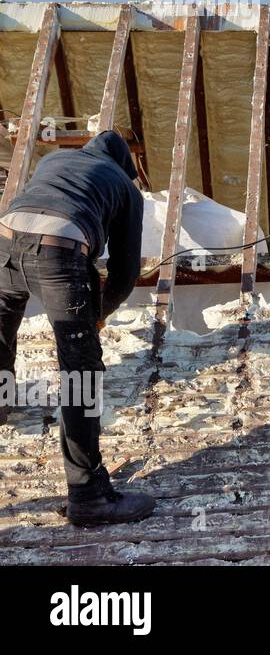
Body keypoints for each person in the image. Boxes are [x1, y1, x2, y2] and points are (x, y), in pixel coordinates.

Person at [0, 131, 153, 525]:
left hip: (3, 241)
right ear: (125, 168)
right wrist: (99, 315)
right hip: (57, 253)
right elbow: (125, 272)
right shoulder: (125, 187)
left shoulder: (54, 159)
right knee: (80, 374)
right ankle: (88, 496)